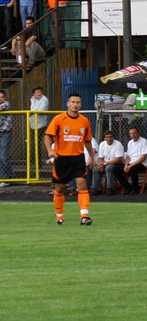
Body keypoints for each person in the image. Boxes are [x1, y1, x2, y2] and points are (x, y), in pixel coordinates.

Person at [44, 93, 94, 225]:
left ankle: (84, 216)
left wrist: (92, 158)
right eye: (73, 102)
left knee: (82, 183)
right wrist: (50, 151)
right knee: (60, 188)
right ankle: (59, 216)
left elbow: (88, 142)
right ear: (68, 104)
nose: (75, 105)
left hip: (78, 158)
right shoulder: (59, 119)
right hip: (62, 159)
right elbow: (47, 136)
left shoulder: (84, 121)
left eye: (78, 102)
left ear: (80, 104)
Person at [92, 130, 126, 195]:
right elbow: (100, 158)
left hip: (118, 164)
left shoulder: (118, 144)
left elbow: (118, 159)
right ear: (104, 138)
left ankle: (111, 188)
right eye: (107, 137)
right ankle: (96, 189)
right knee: (96, 169)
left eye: (110, 137)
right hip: (106, 164)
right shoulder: (102, 144)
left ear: (113, 137)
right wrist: (100, 164)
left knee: (109, 168)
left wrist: (105, 164)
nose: (109, 139)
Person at [123, 126, 147, 194]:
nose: (132, 135)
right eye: (131, 133)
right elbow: (128, 156)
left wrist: (130, 166)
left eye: (134, 133)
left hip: (142, 163)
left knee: (132, 169)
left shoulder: (144, 141)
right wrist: (126, 165)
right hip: (131, 163)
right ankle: (128, 187)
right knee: (116, 169)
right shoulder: (130, 142)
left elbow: (143, 157)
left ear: (138, 133)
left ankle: (135, 189)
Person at [0, 89, 11, 187]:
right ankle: (9, 175)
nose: (0, 99)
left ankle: (5, 179)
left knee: (3, 156)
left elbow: (1, 108)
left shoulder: (6, 104)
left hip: (5, 132)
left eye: (2, 97)